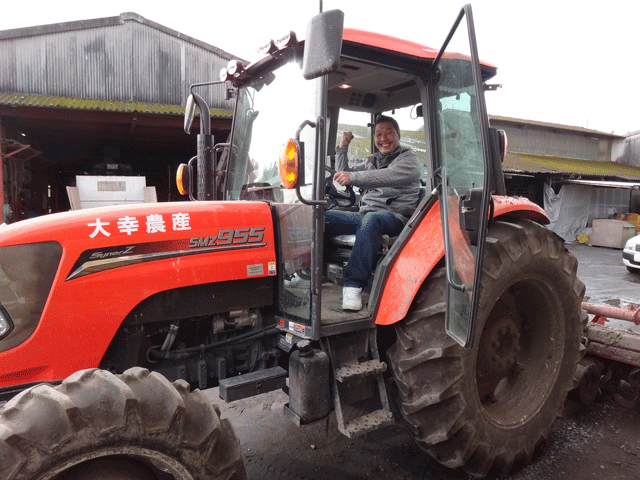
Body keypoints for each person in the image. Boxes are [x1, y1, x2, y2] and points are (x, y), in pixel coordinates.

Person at [325, 115, 421, 311]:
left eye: (388, 133)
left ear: (398, 135)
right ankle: (319, 272)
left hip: (394, 217)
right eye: (379, 134)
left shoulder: (409, 160)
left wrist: (353, 177)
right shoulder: (373, 160)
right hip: (366, 214)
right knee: (322, 216)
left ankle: (353, 285)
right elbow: (343, 174)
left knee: (371, 219)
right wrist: (343, 147)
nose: (383, 138)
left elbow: (384, 176)